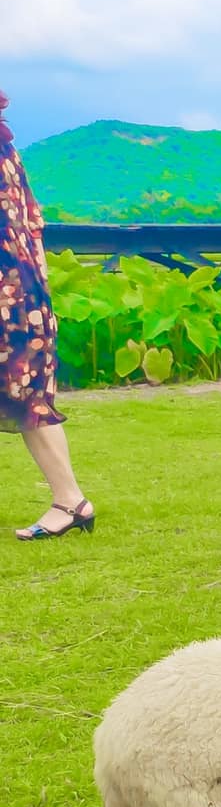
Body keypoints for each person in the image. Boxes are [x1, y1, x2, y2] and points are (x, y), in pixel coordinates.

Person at [1, 90, 97, 541]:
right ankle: (71, 501)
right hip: (25, 295)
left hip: (10, 295)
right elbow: (34, 226)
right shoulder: (9, 151)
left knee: (27, 402)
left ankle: (71, 501)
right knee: (27, 400)